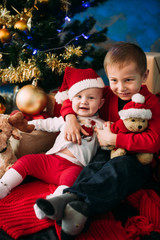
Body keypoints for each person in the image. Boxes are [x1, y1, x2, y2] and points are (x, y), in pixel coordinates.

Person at [35, 42, 160, 239]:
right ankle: (70, 200)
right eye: (114, 80)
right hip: (105, 151)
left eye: (128, 80)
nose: (121, 87)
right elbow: (70, 97)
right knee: (94, 167)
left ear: (144, 76)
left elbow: (153, 141)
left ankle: (75, 204)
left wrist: (116, 139)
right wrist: (69, 118)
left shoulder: (151, 102)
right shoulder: (106, 96)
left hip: (136, 159)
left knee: (118, 169)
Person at [0, 67, 105, 213]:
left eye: (91, 98)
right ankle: (4, 186)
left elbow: (107, 143)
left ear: (100, 103)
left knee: (73, 181)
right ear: (71, 99)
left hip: (74, 166)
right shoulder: (66, 119)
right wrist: (28, 125)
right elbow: (46, 124)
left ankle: (53, 204)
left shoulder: (101, 125)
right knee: (26, 161)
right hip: (52, 160)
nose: (84, 102)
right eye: (79, 97)